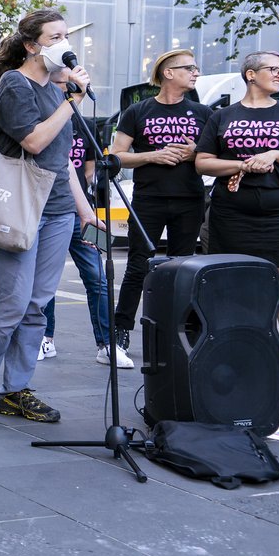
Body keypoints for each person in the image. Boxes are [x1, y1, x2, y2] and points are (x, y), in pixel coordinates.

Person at [0, 8, 101, 422]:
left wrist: (85, 210)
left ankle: (16, 390)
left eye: (67, 35)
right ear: (32, 46)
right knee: (11, 303)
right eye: (56, 37)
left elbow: (62, 159)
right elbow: (33, 141)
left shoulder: (58, 89)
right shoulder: (16, 84)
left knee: (36, 305)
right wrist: (73, 102)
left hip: (59, 209)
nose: (66, 44)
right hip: (20, 206)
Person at [195, 51, 279, 378]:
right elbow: (202, 162)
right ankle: (236, 347)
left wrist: (276, 153)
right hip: (234, 209)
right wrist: (243, 163)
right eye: (273, 69)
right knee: (233, 278)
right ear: (251, 74)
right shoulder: (222, 117)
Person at [109, 49, 210, 352]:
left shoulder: (203, 113)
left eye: (196, 68)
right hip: (148, 200)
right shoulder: (138, 112)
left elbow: (215, 155)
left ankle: (177, 333)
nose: (196, 73)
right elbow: (116, 156)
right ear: (168, 73)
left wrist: (195, 152)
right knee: (138, 266)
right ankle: (120, 333)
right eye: (189, 68)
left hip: (189, 199)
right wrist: (154, 155)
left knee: (182, 268)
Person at [37, 109, 130, 369]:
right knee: (46, 279)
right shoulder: (44, 117)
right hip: (47, 208)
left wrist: (84, 206)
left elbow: (90, 170)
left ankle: (107, 345)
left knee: (98, 277)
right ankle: (45, 337)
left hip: (81, 211)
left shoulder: (84, 123)